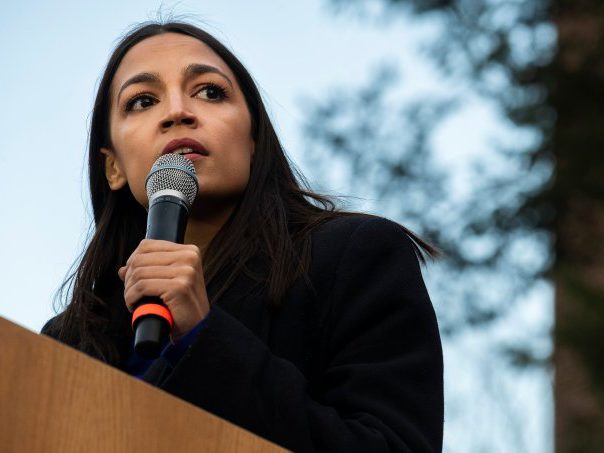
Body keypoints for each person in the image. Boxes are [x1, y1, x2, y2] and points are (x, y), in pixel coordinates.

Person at [41, 21, 444, 452]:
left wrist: (204, 338)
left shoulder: (355, 256)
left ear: (253, 139)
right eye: (142, 101)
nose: (177, 111)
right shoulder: (68, 343)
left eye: (210, 92)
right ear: (113, 167)